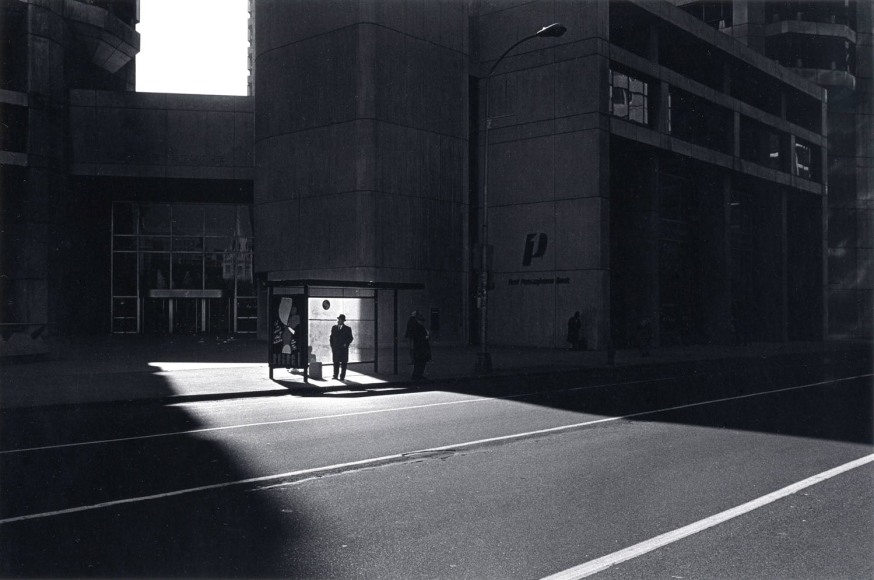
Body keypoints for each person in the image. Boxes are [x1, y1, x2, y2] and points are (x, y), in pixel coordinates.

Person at [329, 314, 353, 380]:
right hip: (336, 348)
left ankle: (342, 376)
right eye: (338, 319)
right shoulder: (334, 328)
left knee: (344, 363)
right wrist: (332, 346)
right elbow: (331, 337)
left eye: (340, 319)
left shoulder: (347, 329)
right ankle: (335, 375)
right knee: (336, 362)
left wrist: (346, 344)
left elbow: (350, 338)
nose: (338, 321)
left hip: (343, 349)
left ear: (343, 321)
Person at [409, 312, 431, 381]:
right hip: (421, 348)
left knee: (418, 363)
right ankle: (418, 376)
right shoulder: (419, 327)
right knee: (421, 363)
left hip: (419, 348)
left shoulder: (416, 327)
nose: (422, 322)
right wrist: (426, 336)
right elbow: (422, 337)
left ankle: (417, 376)